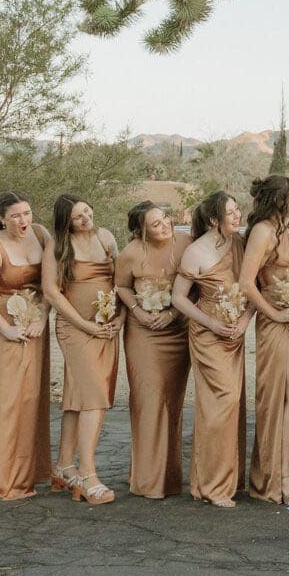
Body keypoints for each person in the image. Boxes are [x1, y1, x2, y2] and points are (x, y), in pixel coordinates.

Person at [0, 191, 55, 500]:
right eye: (16, 215)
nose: (23, 220)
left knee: (30, 400)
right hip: (4, 329)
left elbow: (48, 286)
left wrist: (42, 317)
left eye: (27, 213)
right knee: (4, 401)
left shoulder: (41, 235)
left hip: (34, 327)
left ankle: (26, 474)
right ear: (2, 218)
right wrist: (5, 329)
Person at [173, 191, 250, 508]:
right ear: (214, 220)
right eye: (230, 213)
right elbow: (179, 298)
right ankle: (211, 485)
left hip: (235, 333)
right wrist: (211, 324)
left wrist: (246, 318)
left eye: (237, 210)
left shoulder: (240, 243)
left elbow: (252, 289)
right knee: (221, 402)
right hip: (208, 336)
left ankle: (229, 479)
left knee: (234, 404)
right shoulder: (196, 251)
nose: (237, 216)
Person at [43, 193, 122, 504]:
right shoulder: (58, 246)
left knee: (80, 397)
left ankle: (63, 466)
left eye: (87, 211)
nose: (86, 218)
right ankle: (88, 475)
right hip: (75, 328)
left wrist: (120, 318)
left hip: (105, 327)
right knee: (94, 398)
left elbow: (122, 281)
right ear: (67, 223)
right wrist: (83, 324)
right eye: (78, 216)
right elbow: (51, 291)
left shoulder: (106, 238)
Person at [241, 175, 289, 505]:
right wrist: (275, 313)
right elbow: (246, 282)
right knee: (286, 395)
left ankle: (286, 472)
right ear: (279, 199)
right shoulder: (262, 232)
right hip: (274, 321)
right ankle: (276, 478)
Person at [115, 201, 192, 499]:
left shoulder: (185, 243)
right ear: (141, 230)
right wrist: (138, 312)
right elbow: (121, 287)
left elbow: (195, 286)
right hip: (143, 333)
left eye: (166, 219)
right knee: (148, 400)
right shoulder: (130, 253)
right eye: (156, 224)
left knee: (171, 402)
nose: (165, 226)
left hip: (177, 330)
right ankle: (147, 479)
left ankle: (169, 478)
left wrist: (173, 314)